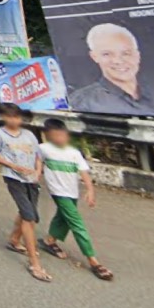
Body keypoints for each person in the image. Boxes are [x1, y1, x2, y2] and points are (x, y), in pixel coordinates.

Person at [38, 118, 113, 281]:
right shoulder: (43, 149)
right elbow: (36, 163)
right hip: (58, 192)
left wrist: (90, 190)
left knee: (63, 217)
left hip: (72, 192)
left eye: (62, 134)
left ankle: (49, 241)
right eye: (55, 135)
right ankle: (93, 261)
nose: (60, 138)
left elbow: (84, 172)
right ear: (48, 136)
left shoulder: (74, 153)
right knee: (77, 224)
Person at [0, 103, 49, 282]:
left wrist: (38, 171)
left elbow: (38, 155)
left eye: (17, 117)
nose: (14, 120)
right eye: (10, 117)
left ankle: (15, 240)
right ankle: (34, 263)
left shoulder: (29, 134)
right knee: (29, 217)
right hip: (14, 178)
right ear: (4, 117)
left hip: (31, 179)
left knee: (28, 212)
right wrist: (13, 165)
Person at [68, 24, 154, 116]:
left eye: (126, 53)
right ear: (94, 56)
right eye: (107, 54)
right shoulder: (84, 103)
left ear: (137, 55)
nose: (118, 61)